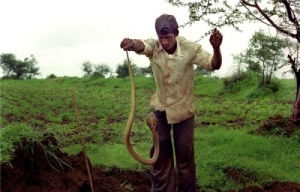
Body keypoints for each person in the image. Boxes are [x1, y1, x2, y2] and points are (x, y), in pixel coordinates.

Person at [120, 14, 223, 192]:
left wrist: (216, 48)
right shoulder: (155, 47)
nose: (165, 42)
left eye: (168, 37)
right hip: (160, 110)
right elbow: (142, 45)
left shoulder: (190, 48)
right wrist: (132, 43)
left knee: (185, 160)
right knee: (160, 158)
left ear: (176, 33)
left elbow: (214, 65)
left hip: (184, 111)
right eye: (161, 38)